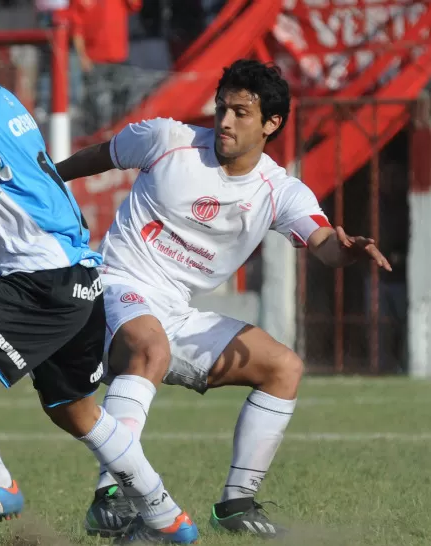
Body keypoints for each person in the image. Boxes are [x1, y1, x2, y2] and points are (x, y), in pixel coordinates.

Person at [0, 1, 198, 541]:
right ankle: (164, 515)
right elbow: (13, 189)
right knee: (74, 411)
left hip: (44, 282)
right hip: (81, 276)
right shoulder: (6, 103)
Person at [55, 60, 391, 541]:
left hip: (176, 313)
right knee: (149, 346)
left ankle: (236, 503)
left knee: (284, 368)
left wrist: (347, 250)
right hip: (115, 286)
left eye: (241, 112)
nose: (225, 122)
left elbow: (323, 244)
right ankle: (111, 493)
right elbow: (100, 155)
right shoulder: (167, 139)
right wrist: (47, 181)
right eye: (221, 108)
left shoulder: (279, 190)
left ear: (272, 123)